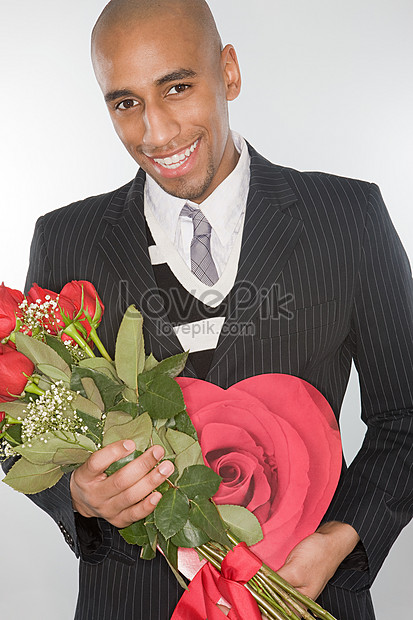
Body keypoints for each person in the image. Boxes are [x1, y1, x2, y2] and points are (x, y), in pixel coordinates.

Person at [11, 0, 413, 619]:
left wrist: (338, 543)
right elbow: (25, 423)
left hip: (300, 594)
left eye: (176, 87)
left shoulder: (349, 218)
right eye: (126, 103)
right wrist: (80, 496)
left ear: (228, 72)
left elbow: (405, 416)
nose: (157, 132)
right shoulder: (67, 239)